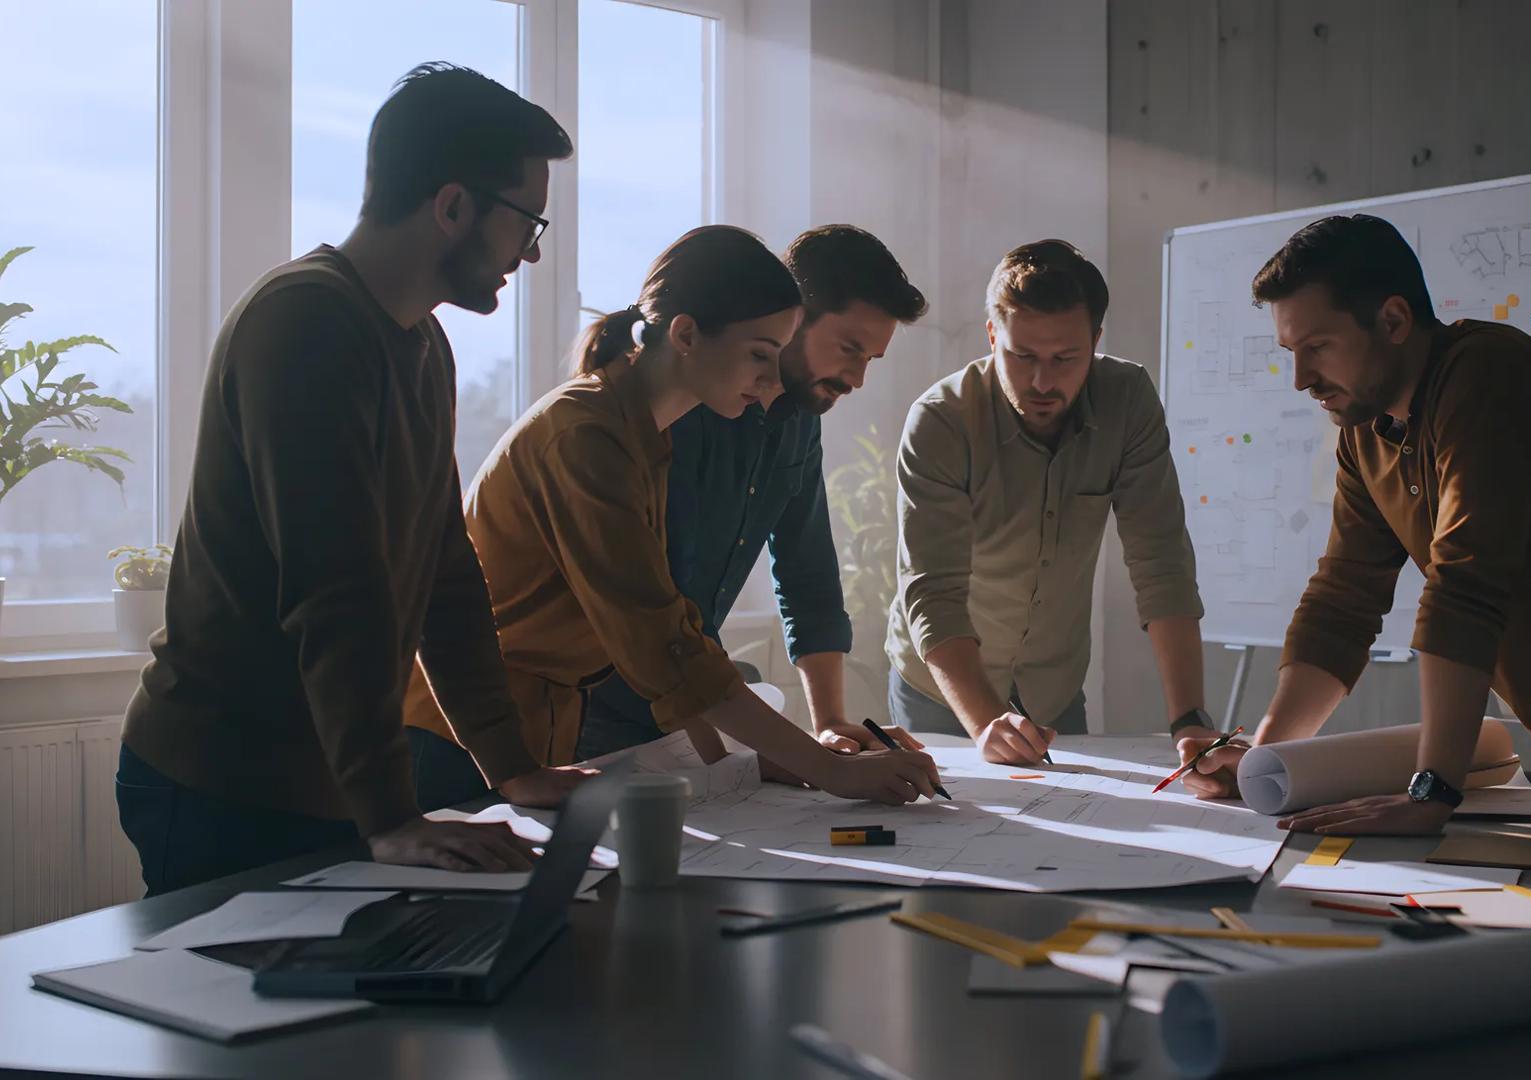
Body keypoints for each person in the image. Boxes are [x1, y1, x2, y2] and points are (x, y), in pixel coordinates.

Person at [117, 63, 594, 896]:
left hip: (327, 782)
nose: (534, 250)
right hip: (223, 784)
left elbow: (444, 570)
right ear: (453, 206)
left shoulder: (422, 345)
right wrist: (391, 816)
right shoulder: (305, 321)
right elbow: (335, 587)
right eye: (527, 220)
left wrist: (510, 767)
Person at [1179, 214, 1531, 889]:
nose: (1301, 378)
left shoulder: (1488, 376)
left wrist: (1433, 788)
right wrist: (1265, 760)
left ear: (1393, 320)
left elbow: (1464, 584)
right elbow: (1343, 601)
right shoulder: (1364, 432)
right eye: (1290, 352)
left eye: (1319, 347)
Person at [403, 226, 942, 807]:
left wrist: (763, 757)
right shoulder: (590, 435)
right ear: (685, 335)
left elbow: (686, 632)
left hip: (533, 737)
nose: (770, 384)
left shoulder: (644, 431)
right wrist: (825, 769)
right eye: (759, 356)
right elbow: (660, 640)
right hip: (460, 738)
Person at [573, 225, 931, 764]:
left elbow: (807, 570)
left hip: (686, 706)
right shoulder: (675, 407)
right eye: (848, 350)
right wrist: (802, 765)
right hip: (591, 711)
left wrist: (829, 723)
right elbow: (659, 614)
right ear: (793, 316)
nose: (857, 378)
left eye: (870, 360)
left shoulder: (799, 420)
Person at [887, 239, 1212, 765]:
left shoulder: (1127, 399)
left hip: (1053, 689)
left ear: (1095, 340)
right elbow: (932, 590)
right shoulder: (941, 420)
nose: (1042, 381)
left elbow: (1161, 560)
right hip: (943, 689)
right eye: (1022, 356)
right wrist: (986, 724)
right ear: (992, 335)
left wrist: (1189, 720)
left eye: (1065, 359)